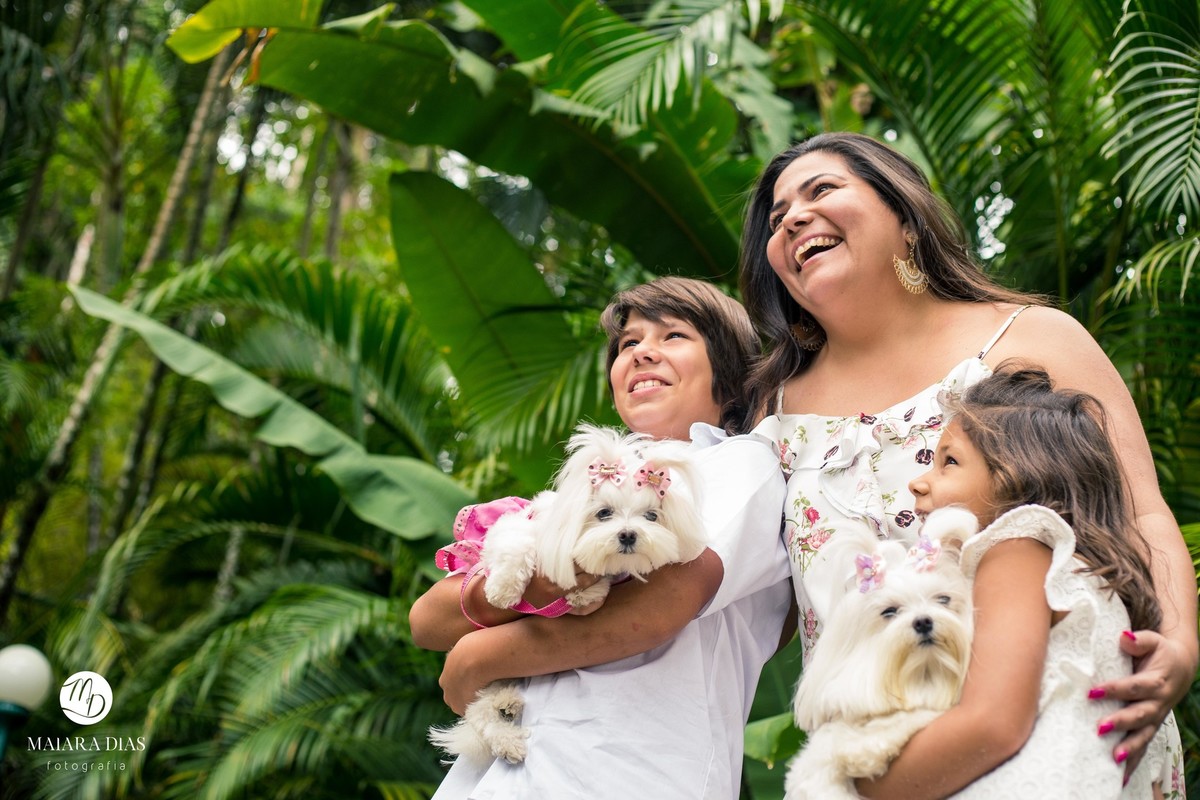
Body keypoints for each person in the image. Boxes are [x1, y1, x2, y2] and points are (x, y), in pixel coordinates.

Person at [738, 132, 1196, 787]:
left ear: (904, 214)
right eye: (777, 221)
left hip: (1068, 738)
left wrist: (1178, 647)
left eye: (822, 190)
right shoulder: (772, 416)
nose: (793, 220)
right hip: (884, 764)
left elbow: (1142, 515)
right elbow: (750, 613)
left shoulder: (1033, 338)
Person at [408, 276, 793, 799]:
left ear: (728, 374)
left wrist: (478, 658)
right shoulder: (586, 487)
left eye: (673, 336)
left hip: (627, 773)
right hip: (499, 780)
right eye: (628, 344)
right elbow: (428, 620)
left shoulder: (742, 465)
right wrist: (528, 587)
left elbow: (658, 607)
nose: (641, 354)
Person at [861, 365, 1179, 797]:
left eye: (949, 461)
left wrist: (856, 783)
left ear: (1018, 475)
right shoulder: (1079, 569)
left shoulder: (1016, 546)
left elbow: (993, 724)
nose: (918, 483)